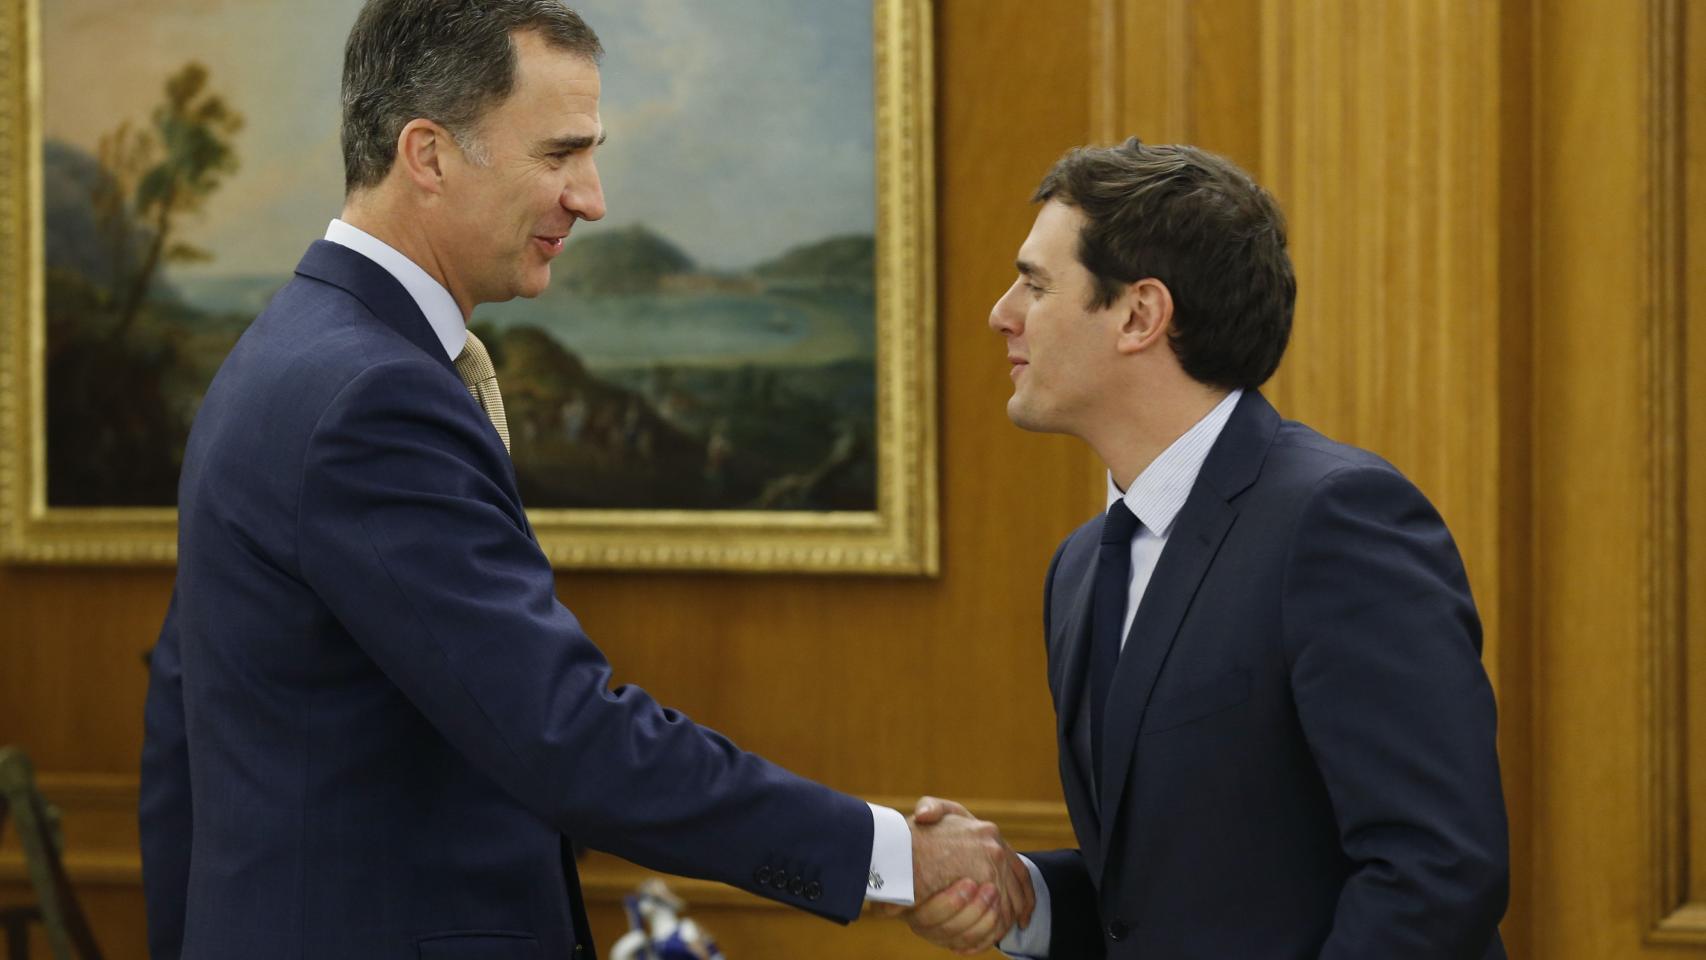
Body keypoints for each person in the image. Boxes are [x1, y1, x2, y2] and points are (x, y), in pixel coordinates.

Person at [137, 3, 1028, 957]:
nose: (592, 199)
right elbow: (562, 735)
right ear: (428, 155)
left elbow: (178, 733)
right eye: (560, 154)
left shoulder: (283, 353)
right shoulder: (371, 397)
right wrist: (888, 856)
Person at [894, 140, 1510, 958]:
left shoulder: (1339, 520)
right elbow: (1161, 897)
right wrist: (1024, 900)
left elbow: (1437, 871)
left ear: (1140, 315)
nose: (1001, 313)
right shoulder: (1080, 566)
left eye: (1036, 285)